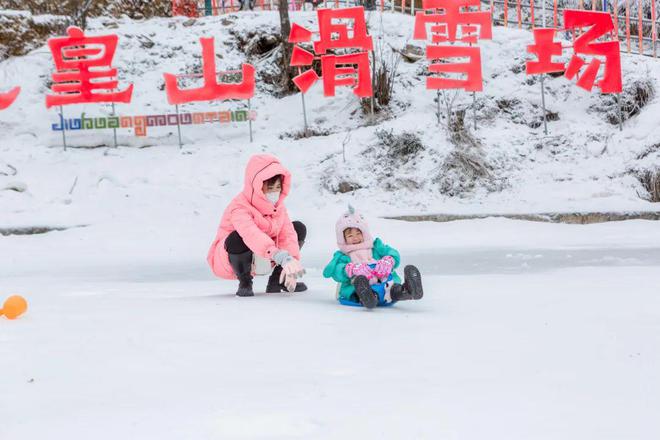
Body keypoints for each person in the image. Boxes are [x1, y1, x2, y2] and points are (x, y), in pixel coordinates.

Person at [207, 154, 306, 297]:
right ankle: (245, 281)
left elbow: (287, 234)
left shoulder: (278, 207)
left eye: (278, 187)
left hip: (267, 254)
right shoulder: (239, 207)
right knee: (237, 237)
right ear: (257, 186)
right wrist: (278, 255)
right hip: (233, 256)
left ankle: (278, 280)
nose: (275, 192)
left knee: (298, 228)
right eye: (270, 187)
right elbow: (251, 234)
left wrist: (291, 261)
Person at [323, 206, 423, 309]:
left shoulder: (375, 247)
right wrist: (350, 269)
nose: (355, 238)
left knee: (394, 289)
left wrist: (389, 260)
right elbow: (336, 271)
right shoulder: (343, 255)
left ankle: (407, 290)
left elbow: (393, 253)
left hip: (386, 283)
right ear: (343, 238)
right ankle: (368, 297)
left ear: (364, 233)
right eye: (350, 236)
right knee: (358, 288)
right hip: (360, 286)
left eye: (358, 233)